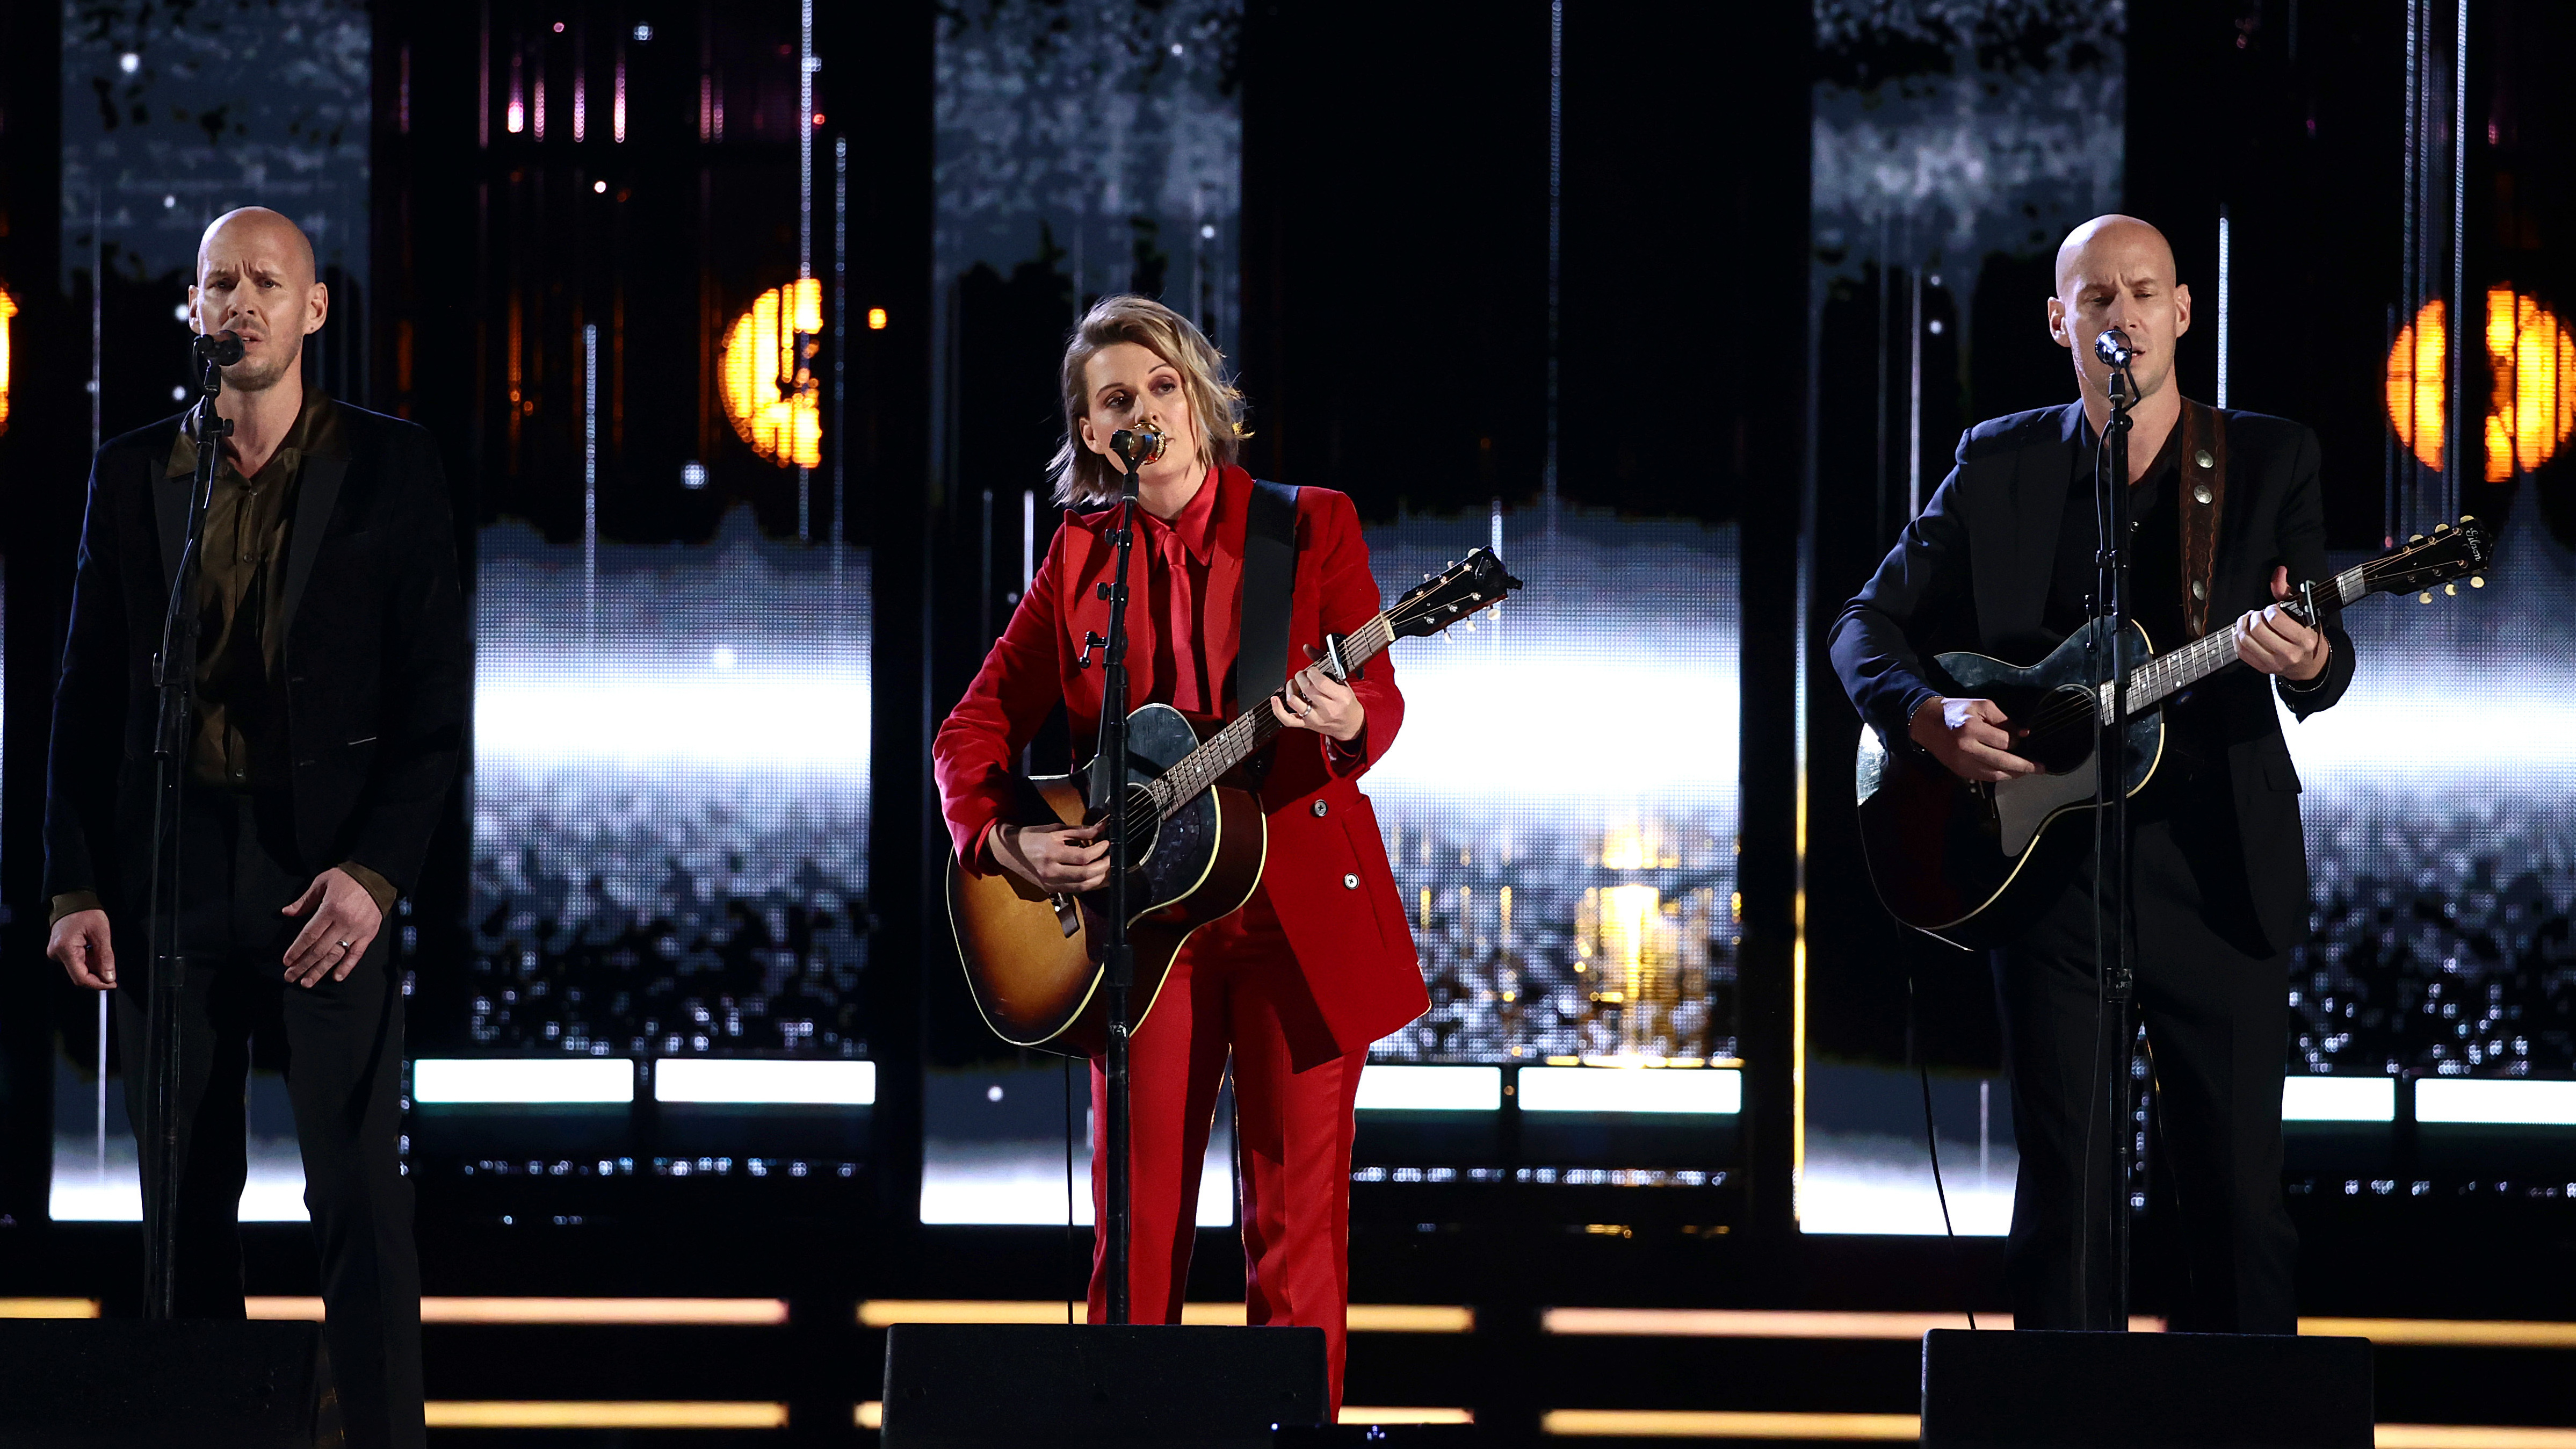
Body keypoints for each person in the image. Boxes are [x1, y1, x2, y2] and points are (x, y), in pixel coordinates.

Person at [1830, 215, 2355, 1331]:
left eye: (2144, 291)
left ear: (2183, 311)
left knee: (2235, 1203)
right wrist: (1924, 715)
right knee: (2065, 1199)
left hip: (2220, 872)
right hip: (2047, 869)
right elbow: (1862, 623)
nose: (2124, 316)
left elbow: (2320, 650)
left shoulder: (2267, 456)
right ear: (2059, 319)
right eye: (2098, 296)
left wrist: (2309, 655)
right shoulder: (1999, 459)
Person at [934, 295, 1423, 1406]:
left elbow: (1378, 698)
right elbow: (971, 726)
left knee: (1294, 1233)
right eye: (1116, 400)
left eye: (1160, 385)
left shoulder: (1307, 525)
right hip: (1149, 931)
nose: (1143, 409)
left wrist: (1346, 718)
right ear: (1094, 435)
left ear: (1199, 397)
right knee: (1136, 1227)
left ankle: (1288, 1435)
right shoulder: (1081, 557)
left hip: (1292, 910)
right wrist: (1009, 838)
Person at [45, 207, 466, 1449]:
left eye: (264, 283)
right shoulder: (136, 471)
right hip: (174, 862)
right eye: (218, 282)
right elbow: (85, 689)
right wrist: (73, 882)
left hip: (320, 870)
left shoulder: (390, 467)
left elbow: (435, 701)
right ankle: (205, 1425)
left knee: (352, 1190)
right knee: (181, 1198)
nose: (239, 303)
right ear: (193, 309)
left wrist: (376, 873)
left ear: (312, 310)